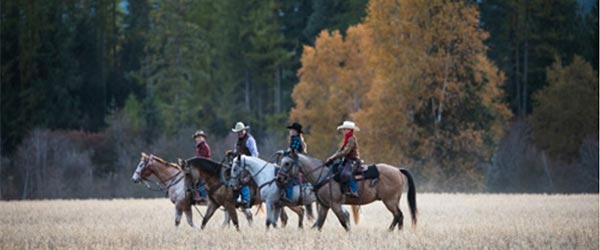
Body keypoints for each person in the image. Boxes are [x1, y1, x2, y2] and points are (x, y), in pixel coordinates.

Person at [325, 121, 360, 198]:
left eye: (345, 129)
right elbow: (340, 150)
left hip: (353, 160)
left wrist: (334, 157)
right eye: (343, 129)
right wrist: (332, 158)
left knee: (345, 174)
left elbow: (346, 151)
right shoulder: (346, 139)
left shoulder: (351, 139)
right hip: (347, 160)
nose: (343, 131)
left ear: (350, 130)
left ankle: (354, 190)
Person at [230, 121, 258, 208]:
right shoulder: (238, 141)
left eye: (241, 131)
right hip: (240, 165)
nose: (240, 133)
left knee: (243, 180)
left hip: (248, 165)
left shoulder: (250, 140)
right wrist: (231, 154)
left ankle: (246, 199)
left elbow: (255, 154)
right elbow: (236, 152)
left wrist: (249, 162)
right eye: (238, 131)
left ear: (244, 130)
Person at [281, 122, 306, 202]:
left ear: (295, 131)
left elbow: (292, 151)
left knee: (288, 176)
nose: (290, 131)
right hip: (296, 161)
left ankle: (289, 197)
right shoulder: (296, 139)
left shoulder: (296, 139)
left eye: (291, 130)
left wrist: (284, 152)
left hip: (297, 162)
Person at [192, 130, 211, 203]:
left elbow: (202, 159)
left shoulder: (204, 146)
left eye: (199, 137)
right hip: (200, 167)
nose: (198, 139)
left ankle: (203, 196)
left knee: (200, 180)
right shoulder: (199, 147)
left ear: (203, 138)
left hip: (204, 167)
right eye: (197, 137)